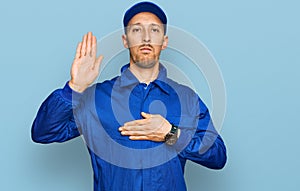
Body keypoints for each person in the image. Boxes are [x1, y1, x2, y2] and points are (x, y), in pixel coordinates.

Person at [31, 1, 227, 191]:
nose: (146, 38)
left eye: (155, 30)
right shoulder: (96, 98)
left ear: (164, 42)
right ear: (125, 41)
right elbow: (44, 132)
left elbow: (218, 156)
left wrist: (171, 134)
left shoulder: (186, 99)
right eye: (136, 30)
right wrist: (75, 87)